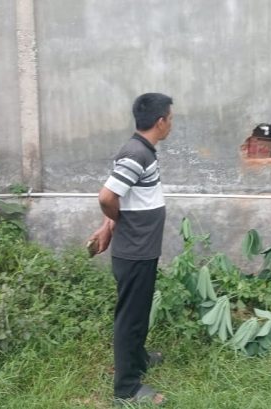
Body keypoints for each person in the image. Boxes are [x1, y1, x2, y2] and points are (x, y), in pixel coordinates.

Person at [88, 92, 173, 406]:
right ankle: (126, 389)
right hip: (135, 250)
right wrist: (115, 220)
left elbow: (123, 194)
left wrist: (107, 226)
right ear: (160, 121)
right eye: (170, 118)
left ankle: (139, 357)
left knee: (139, 310)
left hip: (141, 248)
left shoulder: (140, 151)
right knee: (131, 318)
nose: (171, 124)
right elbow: (107, 197)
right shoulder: (136, 153)